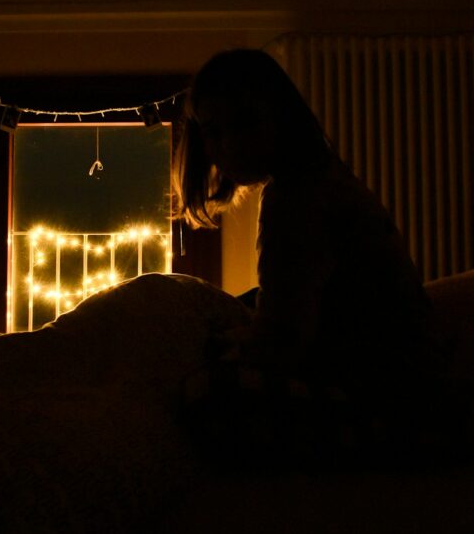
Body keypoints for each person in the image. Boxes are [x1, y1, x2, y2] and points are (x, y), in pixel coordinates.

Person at [173, 48, 441, 465]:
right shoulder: (320, 177)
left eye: (244, 122)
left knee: (199, 393)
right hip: (397, 362)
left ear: (279, 115)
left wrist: (237, 348)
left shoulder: (299, 198)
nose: (228, 146)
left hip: (390, 388)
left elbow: (283, 342)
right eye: (213, 131)